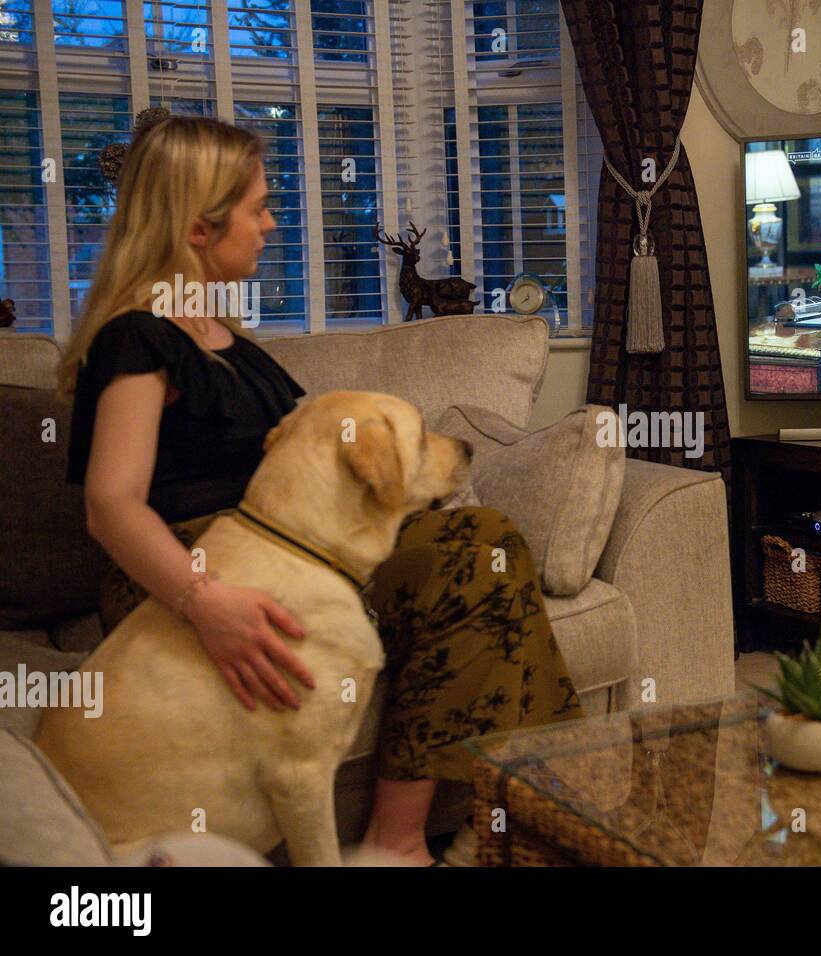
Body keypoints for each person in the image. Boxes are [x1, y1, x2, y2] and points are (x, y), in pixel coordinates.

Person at [57, 115, 583, 866]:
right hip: (198, 565)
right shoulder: (137, 336)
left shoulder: (227, 337)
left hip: (291, 556)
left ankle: (501, 815)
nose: (272, 225)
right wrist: (205, 603)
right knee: (475, 550)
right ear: (199, 226)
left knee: (484, 547)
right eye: (258, 209)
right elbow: (111, 504)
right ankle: (401, 845)